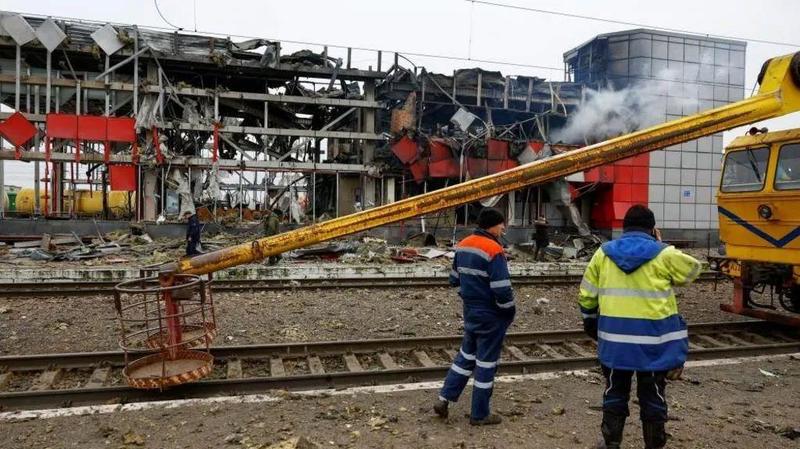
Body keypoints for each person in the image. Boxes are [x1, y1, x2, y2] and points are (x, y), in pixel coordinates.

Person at [578, 205, 702, 449]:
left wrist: (590, 323)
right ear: (652, 229)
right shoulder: (664, 254)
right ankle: (654, 444)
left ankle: (611, 443)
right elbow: (693, 270)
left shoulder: (603, 253)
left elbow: (587, 295)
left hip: (614, 342)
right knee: (653, 394)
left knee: (614, 391)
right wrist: (660, 245)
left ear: (624, 228)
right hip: (654, 345)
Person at [433, 207, 516, 426]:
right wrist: (509, 310)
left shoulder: (463, 244)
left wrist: (468, 296)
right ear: (492, 226)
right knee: (486, 363)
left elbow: (454, 279)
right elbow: (502, 288)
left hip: (471, 312)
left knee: (466, 357)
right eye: (501, 224)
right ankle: (480, 414)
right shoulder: (494, 249)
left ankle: (444, 399)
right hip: (491, 314)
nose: (503, 228)